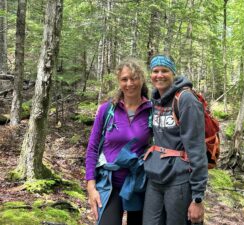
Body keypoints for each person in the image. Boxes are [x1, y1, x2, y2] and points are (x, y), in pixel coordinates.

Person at [85, 58, 152, 225]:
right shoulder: (107, 110)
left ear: (142, 79)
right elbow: (93, 148)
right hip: (110, 184)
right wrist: (91, 186)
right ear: (119, 81)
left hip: (139, 184)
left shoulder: (151, 111)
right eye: (124, 79)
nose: (129, 83)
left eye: (134, 78)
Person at [143, 55, 208, 225]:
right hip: (155, 177)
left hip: (179, 179)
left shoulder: (186, 99)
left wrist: (198, 197)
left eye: (164, 71)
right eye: (155, 71)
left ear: (173, 73)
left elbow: (197, 149)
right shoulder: (155, 98)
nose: (159, 75)